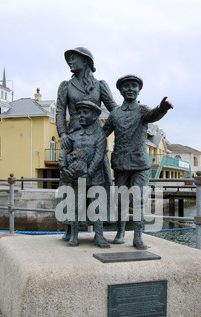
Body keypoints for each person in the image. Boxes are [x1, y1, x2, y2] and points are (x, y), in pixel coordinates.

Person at [103, 74, 173, 250]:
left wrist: (161, 109)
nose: (130, 89)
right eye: (126, 86)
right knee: (120, 201)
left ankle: (138, 237)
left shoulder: (142, 110)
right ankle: (120, 232)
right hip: (120, 165)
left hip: (140, 165)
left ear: (139, 90)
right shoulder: (115, 113)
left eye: (134, 86)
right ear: (119, 91)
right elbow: (102, 133)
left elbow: (152, 115)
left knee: (139, 200)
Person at [56, 47, 117, 241]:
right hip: (73, 138)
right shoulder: (65, 86)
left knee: (98, 185)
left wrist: (103, 132)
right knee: (70, 183)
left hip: (94, 139)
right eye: (69, 60)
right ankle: (69, 227)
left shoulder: (100, 85)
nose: (70, 62)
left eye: (74, 59)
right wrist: (63, 133)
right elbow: (59, 111)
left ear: (86, 61)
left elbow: (114, 110)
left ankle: (99, 232)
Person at [59, 100, 110, 248]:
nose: (81, 115)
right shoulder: (72, 135)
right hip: (76, 178)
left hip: (95, 177)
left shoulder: (100, 136)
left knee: (97, 206)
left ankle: (99, 236)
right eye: (79, 112)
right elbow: (64, 151)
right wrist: (63, 167)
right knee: (76, 206)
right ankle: (74, 235)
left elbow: (99, 156)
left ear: (94, 116)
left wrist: (89, 172)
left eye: (85, 112)